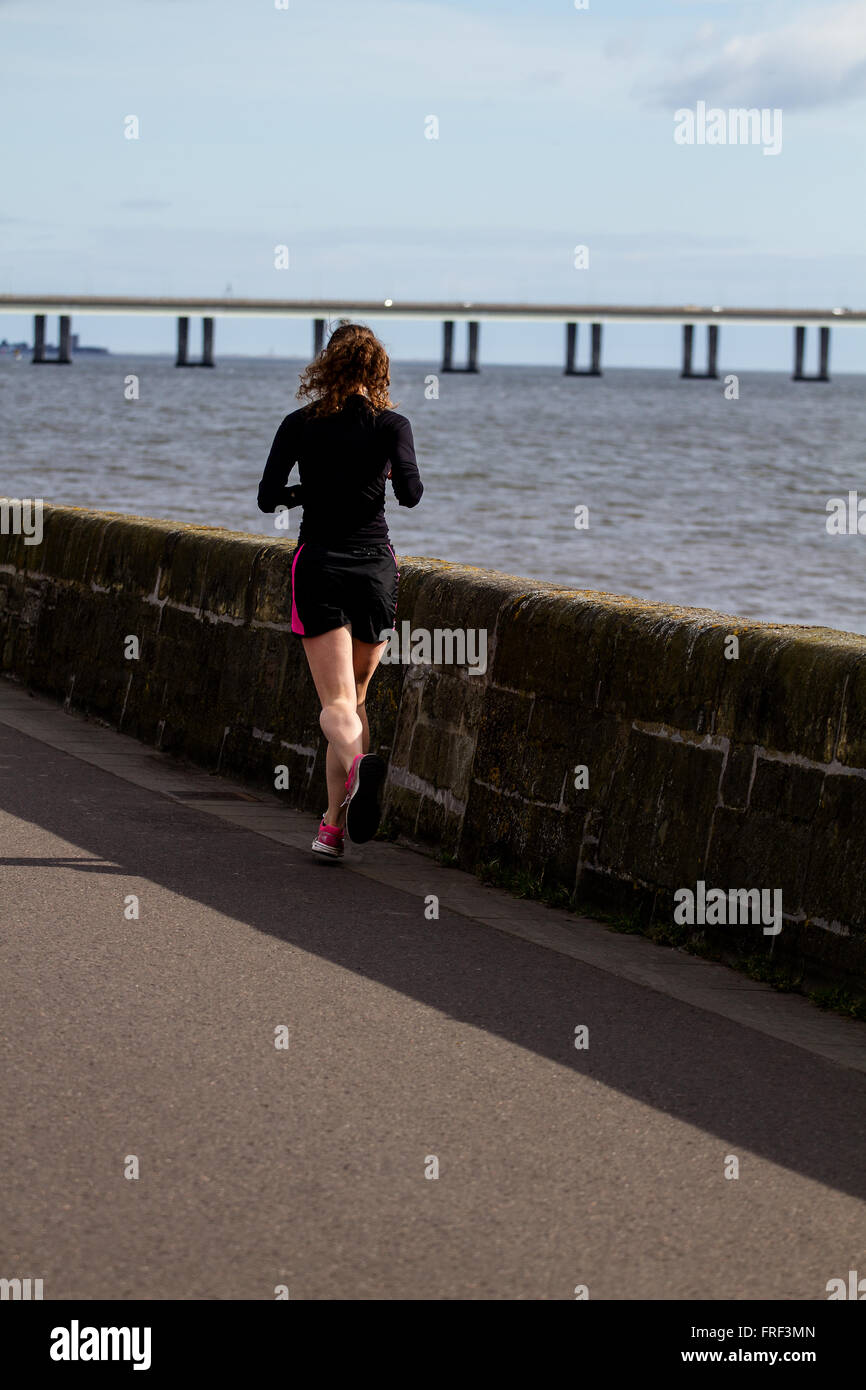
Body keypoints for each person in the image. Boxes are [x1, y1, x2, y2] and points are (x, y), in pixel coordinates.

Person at [257, 321, 423, 860]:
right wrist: (386, 476)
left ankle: (355, 775)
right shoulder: (393, 424)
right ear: (377, 369)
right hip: (376, 567)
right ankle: (331, 826)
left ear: (325, 366)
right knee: (355, 701)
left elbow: (267, 499)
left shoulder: (299, 424)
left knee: (335, 705)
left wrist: (312, 490)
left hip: (321, 563)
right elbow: (412, 494)